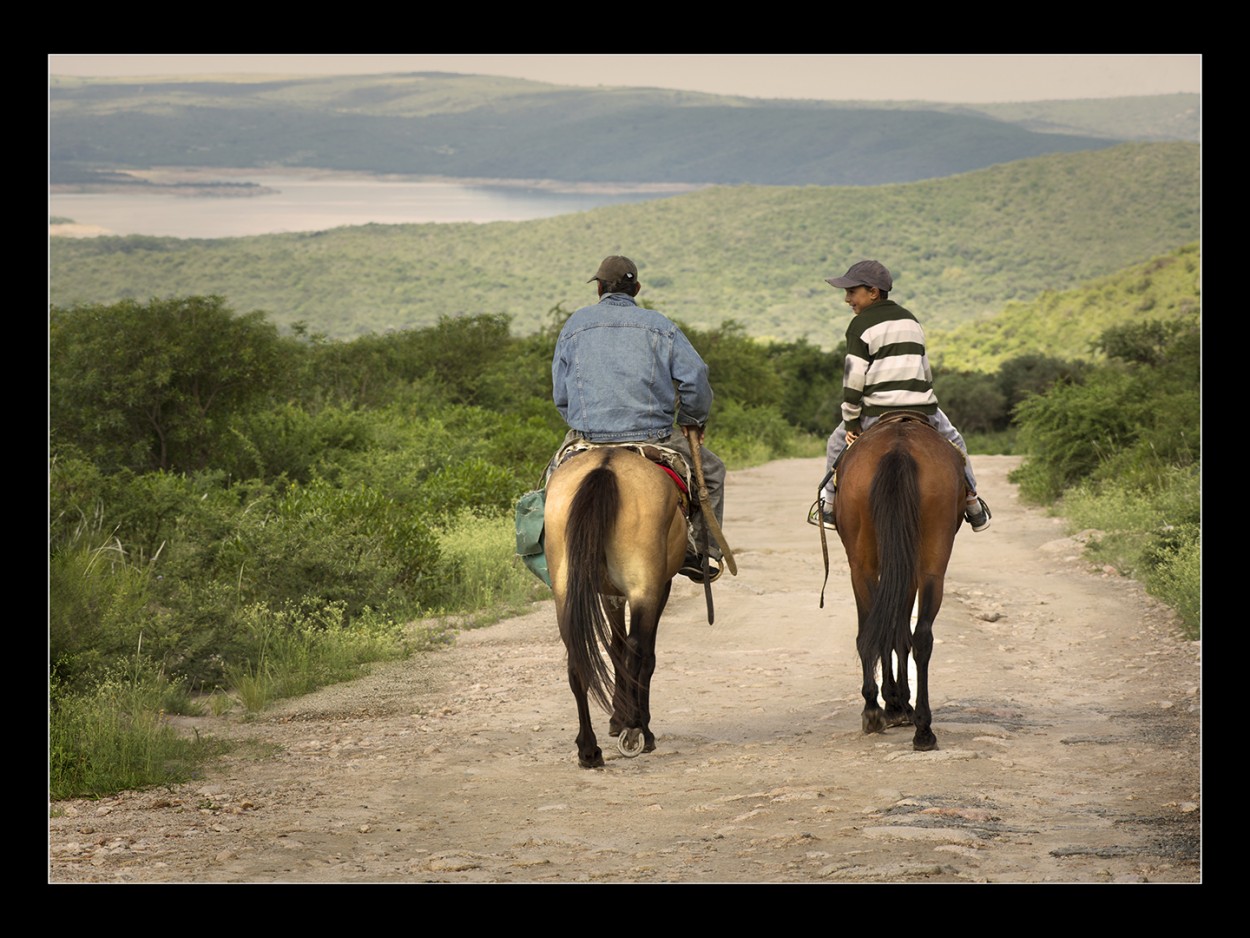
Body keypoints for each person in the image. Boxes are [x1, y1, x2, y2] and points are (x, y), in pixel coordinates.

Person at [551, 255, 727, 582]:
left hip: (587, 436)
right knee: (713, 472)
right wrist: (692, 418)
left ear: (600, 288)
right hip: (652, 436)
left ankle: (547, 549)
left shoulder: (575, 325)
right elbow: (696, 377)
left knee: (552, 481)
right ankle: (701, 553)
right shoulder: (660, 325)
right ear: (637, 289)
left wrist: (582, 420)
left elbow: (561, 394)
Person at [816, 259, 991, 532]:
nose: (847, 299)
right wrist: (924, 399)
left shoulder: (859, 325)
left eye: (852, 291)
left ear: (873, 292)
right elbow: (925, 370)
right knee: (956, 441)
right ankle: (972, 502)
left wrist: (851, 422)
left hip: (876, 410)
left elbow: (854, 378)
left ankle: (828, 504)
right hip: (923, 407)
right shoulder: (911, 320)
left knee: (835, 443)